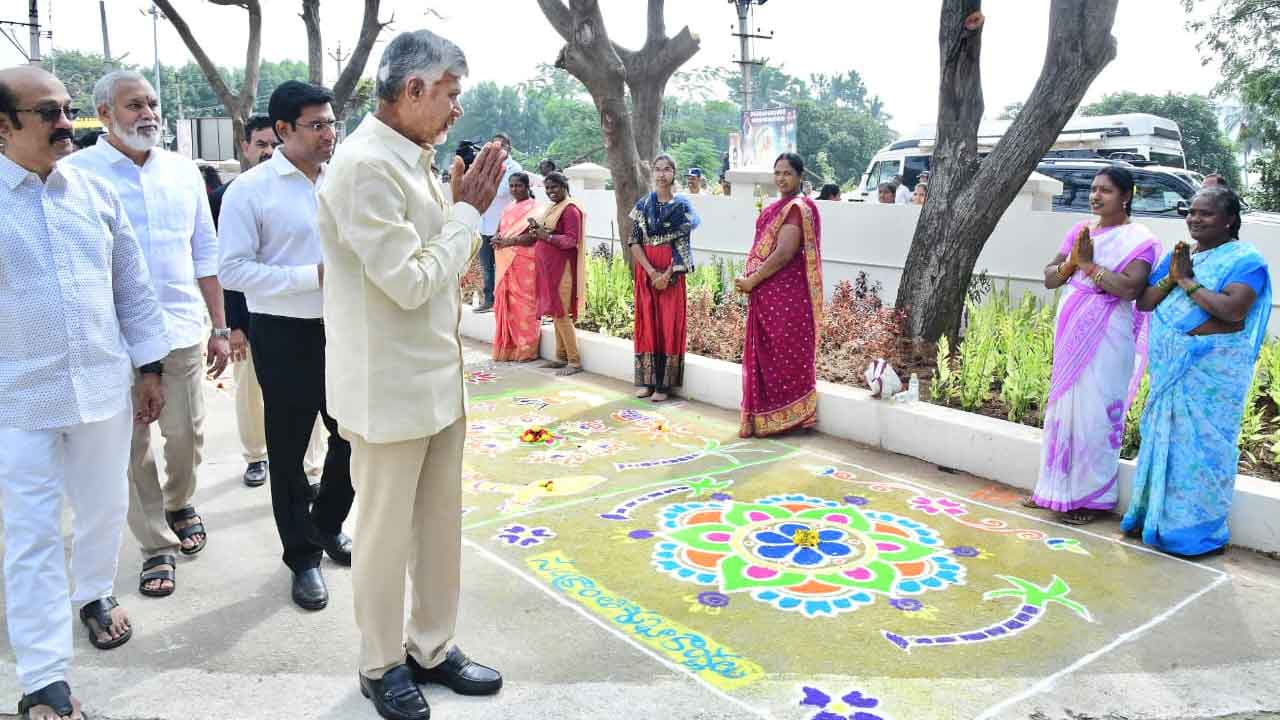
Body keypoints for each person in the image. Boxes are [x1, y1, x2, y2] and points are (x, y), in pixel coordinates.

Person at [318, 29, 506, 720]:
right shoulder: (366, 164)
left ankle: (430, 647)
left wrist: (458, 210)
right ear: (414, 88)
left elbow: (434, 259)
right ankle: (379, 663)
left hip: (434, 380)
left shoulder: (413, 158)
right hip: (387, 386)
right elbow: (410, 280)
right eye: (450, 94)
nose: (456, 109)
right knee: (384, 533)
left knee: (437, 526)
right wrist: (467, 215)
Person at [0, 65, 168, 720]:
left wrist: (149, 367)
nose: (66, 122)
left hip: (103, 386)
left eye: (68, 108)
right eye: (48, 112)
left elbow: (132, 285)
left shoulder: (95, 193)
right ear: (4, 125)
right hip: (17, 402)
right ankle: (44, 679)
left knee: (102, 509)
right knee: (32, 536)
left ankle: (95, 594)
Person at [62, 69, 228, 598]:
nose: (148, 114)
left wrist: (220, 327)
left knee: (185, 437)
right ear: (105, 114)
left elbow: (205, 252)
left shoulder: (183, 172)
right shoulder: (76, 174)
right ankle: (156, 543)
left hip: (178, 329)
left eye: (152, 103)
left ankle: (180, 502)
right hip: (109, 338)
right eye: (134, 105)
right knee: (131, 448)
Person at [219, 81, 354, 611]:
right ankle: (301, 557)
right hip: (284, 332)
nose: (329, 134)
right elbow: (232, 268)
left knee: (353, 436)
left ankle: (325, 522)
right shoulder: (250, 190)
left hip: (344, 331)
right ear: (282, 130)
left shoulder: (343, 180)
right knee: (290, 448)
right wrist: (310, 277)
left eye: (331, 123)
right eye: (316, 125)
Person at [1123, 187, 1271, 557]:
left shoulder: (1246, 260)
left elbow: (1233, 311)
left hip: (1210, 379)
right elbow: (1145, 301)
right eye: (1191, 212)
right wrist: (1172, 276)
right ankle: (1153, 519)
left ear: (1229, 220)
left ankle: (1196, 534)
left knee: (1201, 453)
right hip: (1170, 373)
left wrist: (1188, 281)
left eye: (1204, 213)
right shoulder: (1183, 257)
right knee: (1165, 442)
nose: (1194, 219)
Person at [1028, 166, 1158, 525]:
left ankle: (1093, 498)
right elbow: (1051, 278)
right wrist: (1074, 261)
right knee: (1064, 409)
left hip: (1108, 333)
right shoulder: (1080, 231)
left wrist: (1087, 264)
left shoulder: (1140, 239)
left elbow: (1129, 289)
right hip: (1071, 329)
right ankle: (1054, 489)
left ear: (1126, 195)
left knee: (1096, 412)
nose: (1096, 195)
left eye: (1106, 190)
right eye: (1094, 189)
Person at [210, 115, 327, 491]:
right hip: (258, 318)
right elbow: (226, 267)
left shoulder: (326, 185)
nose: (267, 151)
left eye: (270, 144)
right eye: (259, 145)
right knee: (254, 397)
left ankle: (311, 472)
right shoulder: (233, 195)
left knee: (313, 414)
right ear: (244, 148)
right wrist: (234, 325)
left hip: (322, 320)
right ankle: (255, 457)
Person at [735, 152, 824, 438]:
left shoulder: (798, 208)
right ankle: (766, 418)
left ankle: (792, 418)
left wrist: (752, 280)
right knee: (768, 357)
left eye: (787, 173)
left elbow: (784, 253)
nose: (781, 178)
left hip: (788, 298)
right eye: (777, 173)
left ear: (800, 176)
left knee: (787, 354)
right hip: (767, 296)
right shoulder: (777, 207)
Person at [629, 154, 700, 402]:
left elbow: (683, 246)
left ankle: (663, 385)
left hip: (671, 273)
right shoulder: (642, 206)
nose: (661, 174)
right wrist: (651, 272)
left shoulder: (682, 208)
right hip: (647, 271)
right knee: (647, 323)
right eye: (657, 169)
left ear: (674, 174)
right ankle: (647, 381)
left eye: (667, 169)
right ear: (653, 174)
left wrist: (666, 275)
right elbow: (633, 241)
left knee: (668, 325)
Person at [533, 171, 588, 377]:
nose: (550, 192)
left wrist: (546, 236)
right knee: (556, 312)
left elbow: (571, 241)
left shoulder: (571, 210)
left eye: (554, 187)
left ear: (564, 186)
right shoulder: (553, 208)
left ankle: (574, 362)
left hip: (562, 270)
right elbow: (549, 232)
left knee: (562, 313)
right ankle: (561, 356)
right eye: (547, 188)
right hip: (549, 269)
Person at [491, 171, 545, 362]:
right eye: (512, 186)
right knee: (506, 303)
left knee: (525, 305)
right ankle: (509, 348)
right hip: (505, 261)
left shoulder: (536, 209)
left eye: (518, 186)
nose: (515, 189)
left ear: (527, 186)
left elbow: (533, 237)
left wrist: (508, 242)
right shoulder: (507, 208)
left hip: (525, 262)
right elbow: (499, 231)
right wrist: (497, 238)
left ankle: (526, 349)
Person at [475, 132, 523, 314]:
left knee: (505, 265)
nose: (496, 150)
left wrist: (485, 182)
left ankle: (507, 302)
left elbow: (502, 191)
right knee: (487, 265)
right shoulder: (487, 165)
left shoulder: (514, 168)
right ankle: (489, 300)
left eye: (500, 147)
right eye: (493, 146)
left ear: (507, 148)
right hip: (484, 223)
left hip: (504, 225)